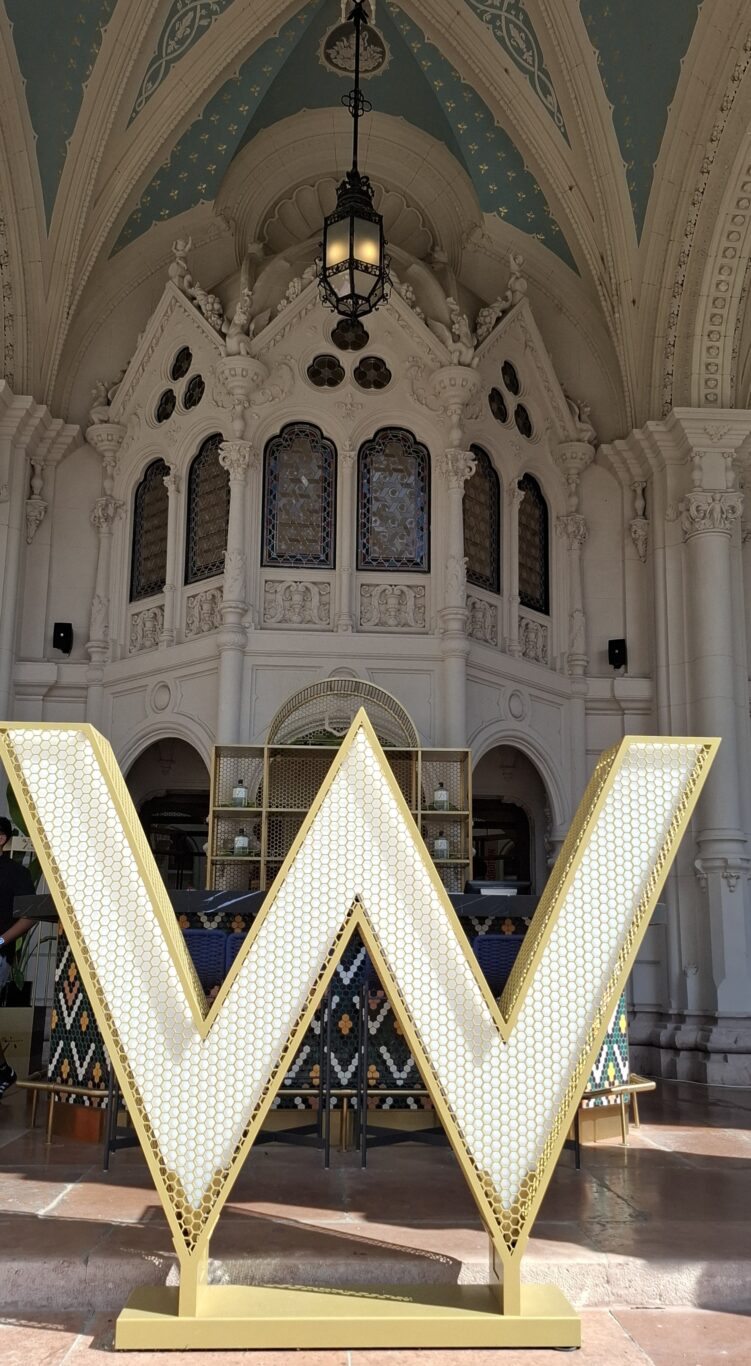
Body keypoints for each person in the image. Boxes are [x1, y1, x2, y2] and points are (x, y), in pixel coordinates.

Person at [0, 817, 37, 1100]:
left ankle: (4, 1071)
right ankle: (3, 1070)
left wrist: (1, 941)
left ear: (2, 839)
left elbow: (30, 916)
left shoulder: (16, 873)